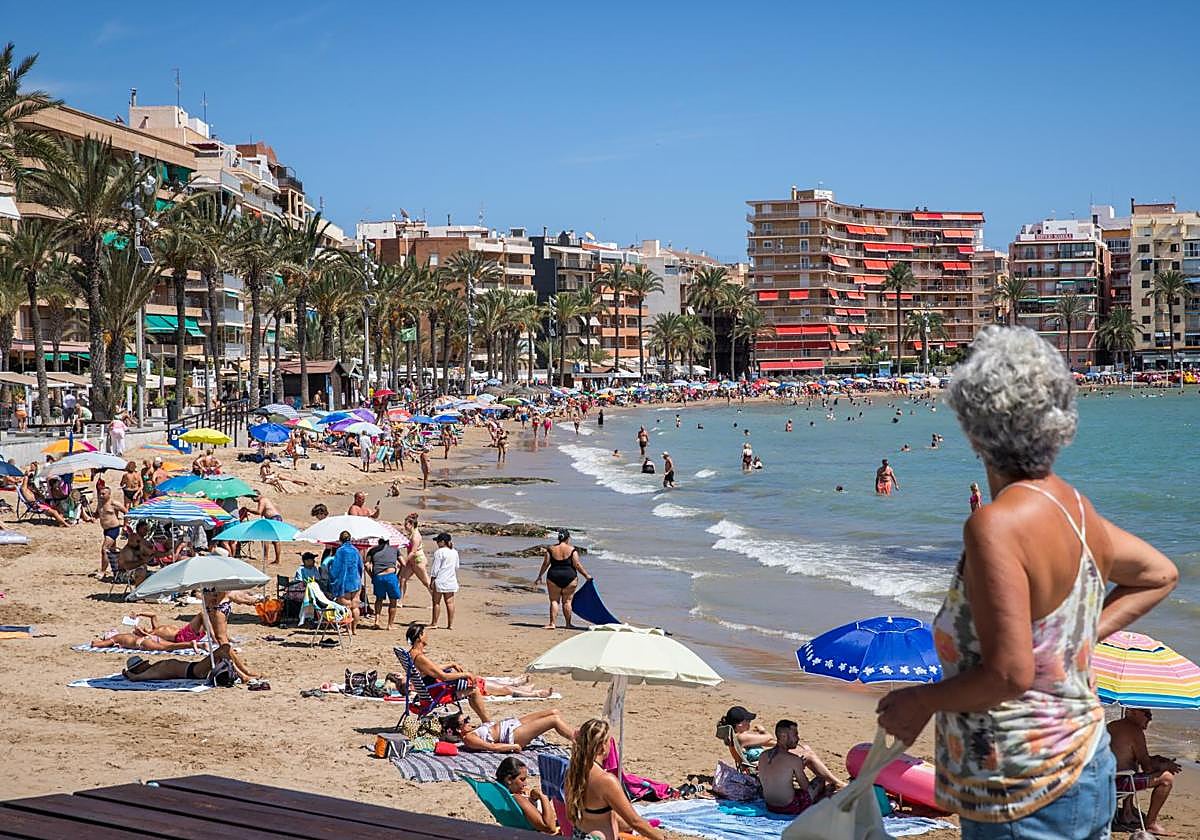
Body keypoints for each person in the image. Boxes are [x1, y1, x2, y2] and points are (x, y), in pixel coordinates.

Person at [876, 326, 1178, 838]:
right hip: (1084, 763)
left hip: (1019, 786)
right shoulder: (1076, 509)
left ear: (973, 426)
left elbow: (1010, 674)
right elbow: (1158, 575)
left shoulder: (996, 524)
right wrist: (1074, 637)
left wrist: (920, 702)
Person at [565, 719, 665, 840]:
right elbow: (635, 821)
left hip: (580, 833)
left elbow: (571, 816)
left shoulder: (573, 772)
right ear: (602, 747)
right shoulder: (606, 781)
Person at [1108, 708, 1180, 835]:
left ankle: (1127, 811)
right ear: (1133, 711)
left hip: (1105, 780)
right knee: (1167, 779)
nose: (1150, 718)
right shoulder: (1135, 731)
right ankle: (1151, 824)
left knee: (1132, 765)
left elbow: (1129, 757)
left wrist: (1157, 759)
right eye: (1147, 714)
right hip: (1118, 783)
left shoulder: (1112, 725)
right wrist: (1166, 765)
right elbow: (1148, 767)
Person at [406, 622, 490, 723]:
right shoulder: (419, 657)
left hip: (426, 690)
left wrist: (451, 664)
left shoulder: (411, 654)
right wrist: (466, 674)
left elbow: (431, 669)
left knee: (471, 686)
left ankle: (486, 721)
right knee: (474, 690)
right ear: (419, 637)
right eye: (424, 633)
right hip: (436, 693)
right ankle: (487, 722)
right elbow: (444, 677)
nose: (427, 636)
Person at [757, 719, 842, 816]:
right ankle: (820, 800)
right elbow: (806, 787)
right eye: (795, 735)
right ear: (783, 736)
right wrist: (799, 768)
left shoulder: (763, 755)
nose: (798, 738)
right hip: (789, 808)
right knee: (820, 779)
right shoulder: (793, 759)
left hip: (770, 806)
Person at [442, 709, 576, 753]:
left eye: (467, 718)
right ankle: (579, 741)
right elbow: (492, 747)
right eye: (465, 721)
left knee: (554, 712)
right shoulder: (469, 739)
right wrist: (513, 746)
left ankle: (576, 733)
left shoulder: (471, 731)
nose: (468, 721)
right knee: (554, 720)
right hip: (512, 735)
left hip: (512, 724)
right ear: (459, 729)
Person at [535, 529, 592, 630]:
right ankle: (568, 624)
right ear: (568, 538)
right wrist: (586, 576)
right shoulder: (572, 550)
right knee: (567, 601)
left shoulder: (551, 549)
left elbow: (545, 564)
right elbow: (577, 565)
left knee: (554, 601)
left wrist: (540, 576)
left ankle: (552, 624)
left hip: (553, 577)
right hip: (570, 578)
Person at [122, 642, 259, 684]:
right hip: (193, 672)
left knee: (225, 649)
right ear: (139, 668)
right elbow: (136, 678)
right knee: (224, 649)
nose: (145, 663)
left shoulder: (153, 668)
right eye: (141, 664)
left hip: (194, 667)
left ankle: (245, 673)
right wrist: (128, 674)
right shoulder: (150, 673)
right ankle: (244, 676)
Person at [495, 756, 559, 835]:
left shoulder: (501, 795)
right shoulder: (517, 798)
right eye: (522, 779)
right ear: (509, 780)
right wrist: (543, 796)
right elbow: (550, 828)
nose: (525, 784)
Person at [327, 531, 363, 634]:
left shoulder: (340, 551)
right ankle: (355, 629)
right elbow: (360, 566)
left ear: (340, 540)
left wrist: (332, 578)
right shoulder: (355, 550)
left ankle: (349, 630)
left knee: (346, 607)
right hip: (355, 581)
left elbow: (336, 568)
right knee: (355, 606)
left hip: (344, 581)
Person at [367, 537, 402, 631]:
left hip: (378, 576)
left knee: (379, 599)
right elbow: (403, 563)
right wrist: (398, 575)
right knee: (393, 601)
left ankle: (377, 621)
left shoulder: (372, 550)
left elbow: (366, 565)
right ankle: (390, 624)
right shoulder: (395, 549)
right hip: (391, 575)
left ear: (378, 541)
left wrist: (372, 576)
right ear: (388, 541)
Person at [429, 532, 459, 629]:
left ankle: (434, 623)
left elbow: (435, 569)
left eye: (438, 541)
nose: (437, 543)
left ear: (442, 542)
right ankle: (450, 624)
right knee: (450, 602)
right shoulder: (454, 552)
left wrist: (432, 580)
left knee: (436, 602)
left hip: (440, 580)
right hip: (451, 579)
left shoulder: (439, 552)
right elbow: (456, 566)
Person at [95, 487, 126, 575]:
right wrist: (90, 517)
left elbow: (126, 512)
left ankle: (103, 571)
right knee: (113, 551)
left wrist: (125, 525)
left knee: (105, 549)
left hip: (113, 529)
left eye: (103, 494)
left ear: (109, 494)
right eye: (100, 494)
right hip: (105, 530)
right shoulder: (100, 503)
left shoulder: (114, 503)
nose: (101, 496)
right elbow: (97, 514)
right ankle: (117, 569)